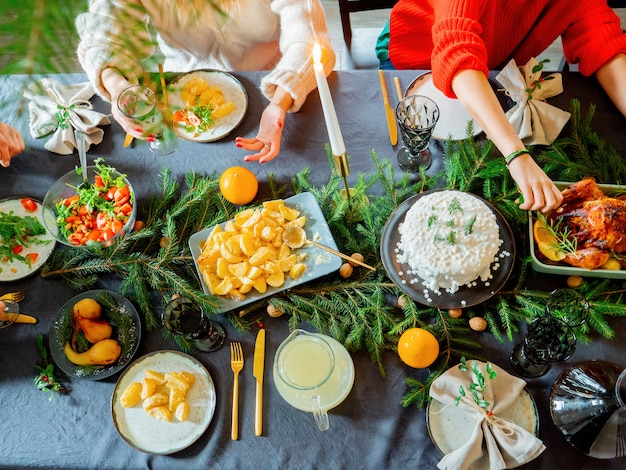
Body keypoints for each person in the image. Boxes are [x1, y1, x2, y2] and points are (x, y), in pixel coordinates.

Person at [384, 0, 626, 213]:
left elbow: (602, 41)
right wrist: (516, 153)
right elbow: (457, 52)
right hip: (416, 60)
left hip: (487, 64)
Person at [75, 0, 335, 163]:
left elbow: (310, 38)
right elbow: (102, 36)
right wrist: (119, 86)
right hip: (179, 92)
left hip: (273, 82)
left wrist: (279, 101)